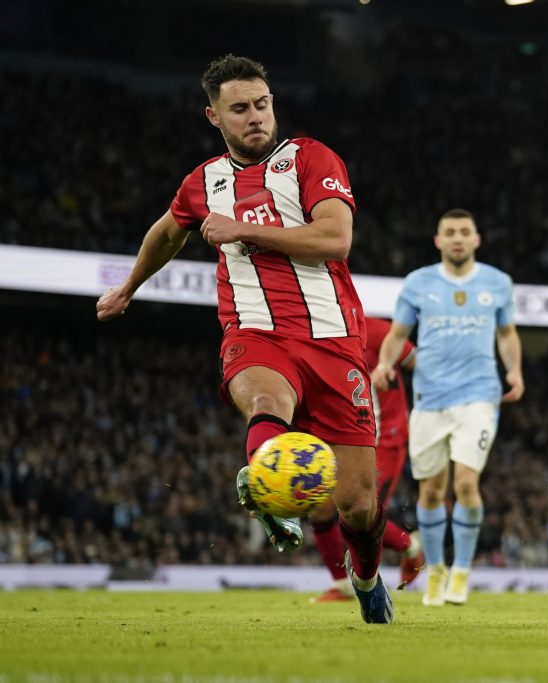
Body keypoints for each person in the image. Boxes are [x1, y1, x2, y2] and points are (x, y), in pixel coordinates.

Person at [96, 54, 393, 624]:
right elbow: (166, 233)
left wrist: (243, 229)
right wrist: (128, 286)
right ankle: (266, 486)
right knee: (266, 400)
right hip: (254, 331)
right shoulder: (202, 182)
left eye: (262, 104)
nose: (255, 116)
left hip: (333, 340)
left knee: (358, 506)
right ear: (214, 116)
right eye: (240, 109)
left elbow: (336, 238)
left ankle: (366, 577)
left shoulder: (310, 157)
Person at [370, 208, 524, 606]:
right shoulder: (418, 283)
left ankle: (462, 572)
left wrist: (515, 372)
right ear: (438, 241)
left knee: (466, 484)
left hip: (479, 396)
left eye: (464, 232)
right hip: (429, 399)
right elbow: (397, 333)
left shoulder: (497, 282)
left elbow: (507, 334)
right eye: (450, 232)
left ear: (476, 239)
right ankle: (436, 568)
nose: (457, 238)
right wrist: (386, 363)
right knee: (432, 491)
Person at [309, 316, 425, 602]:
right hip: (343, 435)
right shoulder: (313, 333)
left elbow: (419, 362)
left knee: (358, 507)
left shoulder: (375, 330)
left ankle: (410, 547)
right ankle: (342, 585)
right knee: (320, 508)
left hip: (385, 437)